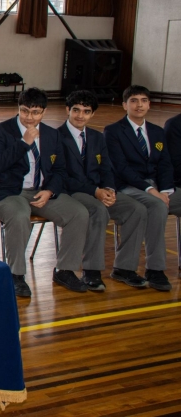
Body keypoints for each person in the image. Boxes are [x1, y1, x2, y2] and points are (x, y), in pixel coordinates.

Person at [0, 88, 89, 297]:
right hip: (6, 191)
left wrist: (50, 191)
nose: (29, 117)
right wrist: (23, 143)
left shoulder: (52, 135)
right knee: (20, 215)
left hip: (40, 191)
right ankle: (16, 275)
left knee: (78, 213)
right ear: (18, 108)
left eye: (35, 112)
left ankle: (65, 270)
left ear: (44, 112)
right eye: (25, 111)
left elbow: (59, 170)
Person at [58, 90, 147, 292]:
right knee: (98, 210)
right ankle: (91, 270)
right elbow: (61, 176)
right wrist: (95, 191)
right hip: (71, 192)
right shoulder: (55, 137)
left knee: (137, 209)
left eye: (86, 111)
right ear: (67, 110)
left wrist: (109, 189)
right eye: (76, 110)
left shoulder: (97, 137)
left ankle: (124, 268)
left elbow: (107, 168)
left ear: (93, 114)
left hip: (98, 191)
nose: (80, 115)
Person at [104, 85, 181, 291]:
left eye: (144, 101)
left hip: (156, 187)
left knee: (161, 202)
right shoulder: (113, 131)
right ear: (124, 105)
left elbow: (165, 164)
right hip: (127, 186)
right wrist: (151, 191)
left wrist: (165, 190)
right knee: (157, 205)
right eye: (134, 101)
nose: (139, 105)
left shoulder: (156, 131)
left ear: (149, 104)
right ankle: (154, 269)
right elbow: (121, 168)